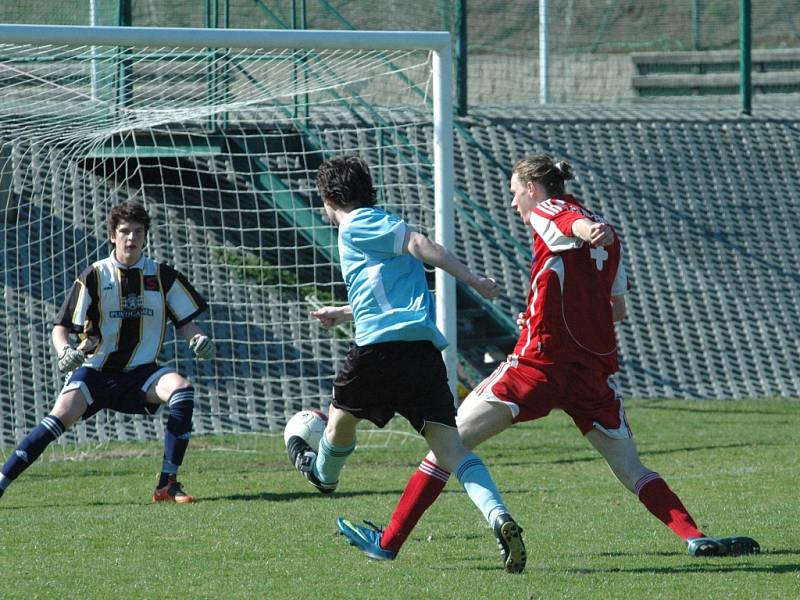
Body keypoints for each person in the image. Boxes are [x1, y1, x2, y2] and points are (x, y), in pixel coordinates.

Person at [356, 154, 760, 558]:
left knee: (446, 448)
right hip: (591, 376)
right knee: (633, 470)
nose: (514, 204)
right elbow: (615, 309)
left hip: (537, 366)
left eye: (515, 193)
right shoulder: (612, 238)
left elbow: (570, 223)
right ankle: (694, 536)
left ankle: (388, 543)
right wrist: (542, 304)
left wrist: (588, 231)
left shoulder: (550, 209)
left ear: (532, 189)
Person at [288, 155, 526, 573]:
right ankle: (498, 516)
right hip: (420, 351)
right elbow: (385, 289)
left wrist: (474, 279)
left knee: (338, 424)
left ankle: (321, 474)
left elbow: (420, 245)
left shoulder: (356, 223)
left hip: (380, 351)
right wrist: (343, 313)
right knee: (451, 449)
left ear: (328, 198)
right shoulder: (380, 222)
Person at [0, 201, 215, 504]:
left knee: (182, 390)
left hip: (142, 372)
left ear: (145, 236)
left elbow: (188, 325)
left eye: (138, 232)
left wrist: (199, 340)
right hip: (96, 372)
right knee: (54, 422)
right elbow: (60, 327)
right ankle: (2, 481)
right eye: (125, 231)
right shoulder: (95, 276)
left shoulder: (163, 277)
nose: (131, 238)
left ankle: (167, 485)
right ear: (112, 235)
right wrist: (64, 351)